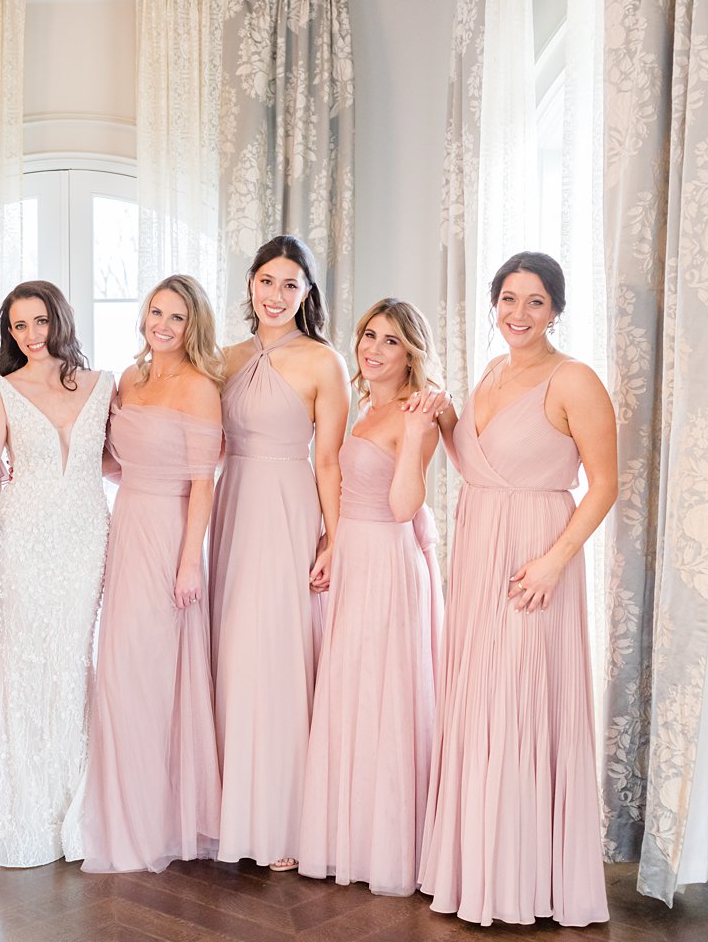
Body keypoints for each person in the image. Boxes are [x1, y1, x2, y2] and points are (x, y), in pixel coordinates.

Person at [419, 251, 616, 926]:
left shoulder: (574, 380)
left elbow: (606, 485)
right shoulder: (493, 372)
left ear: (556, 309)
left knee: (521, 700)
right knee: (481, 700)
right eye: (508, 298)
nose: (519, 313)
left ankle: (528, 878)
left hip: (535, 553)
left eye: (535, 301)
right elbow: (480, 467)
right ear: (494, 303)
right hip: (479, 552)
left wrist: (555, 560)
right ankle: (480, 868)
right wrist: (446, 418)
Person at [0, 280, 112, 868]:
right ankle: (29, 819)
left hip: (87, 534)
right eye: (18, 326)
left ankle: (80, 811)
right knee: (26, 663)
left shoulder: (104, 385)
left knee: (73, 661)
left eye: (39, 321)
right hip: (22, 538)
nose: (31, 336)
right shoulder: (2, 391)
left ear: (60, 320)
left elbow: (123, 460)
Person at [210, 234, 349, 872]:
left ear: (307, 293)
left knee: (280, 648)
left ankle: (282, 821)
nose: (276, 295)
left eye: (290, 285)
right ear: (250, 284)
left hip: (290, 508)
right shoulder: (222, 358)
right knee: (234, 647)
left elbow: (330, 462)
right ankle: (229, 811)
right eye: (267, 281)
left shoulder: (325, 363)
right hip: (233, 505)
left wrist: (333, 536)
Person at [298, 298, 445, 896]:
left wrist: (412, 437)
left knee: (386, 695)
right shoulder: (365, 408)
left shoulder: (418, 414)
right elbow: (345, 488)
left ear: (411, 352)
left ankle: (387, 847)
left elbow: (405, 506)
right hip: (355, 553)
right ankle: (349, 838)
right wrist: (333, 542)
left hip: (388, 559)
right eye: (368, 336)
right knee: (353, 690)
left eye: (389, 341)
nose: (373, 349)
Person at [82, 275, 224, 874]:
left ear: (193, 327)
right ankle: (121, 812)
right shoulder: (128, 378)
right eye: (155, 313)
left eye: (176, 318)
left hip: (170, 534)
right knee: (116, 669)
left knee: (156, 672)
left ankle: (161, 818)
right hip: (128, 522)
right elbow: (116, 461)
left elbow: (202, 483)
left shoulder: (199, 388)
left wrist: (189, 560)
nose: (162, 326)